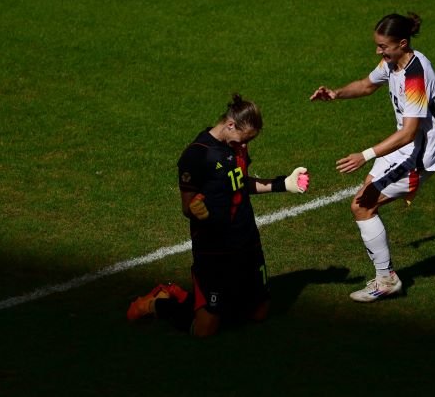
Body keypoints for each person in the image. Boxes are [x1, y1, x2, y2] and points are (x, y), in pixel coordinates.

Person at [127, 94, 310, 337]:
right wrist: (195, 209)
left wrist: (282, 184)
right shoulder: (197, 155)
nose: (245, 147)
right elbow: (186, 206)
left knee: (259, 313)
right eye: (244, 140)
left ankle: (216, 299)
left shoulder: (237, 146)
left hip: (247, 239)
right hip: (214, 247)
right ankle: (159, 301)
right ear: (230, 125)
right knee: (205, 330)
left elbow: (240, 184)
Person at [310, 12, 435, 302]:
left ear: (402, 43)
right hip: (402, 148)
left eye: (383, 46)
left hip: (416, 156)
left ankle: (386, 279)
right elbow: (367, 85)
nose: (378, 51)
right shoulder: (392, 62)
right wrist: (337, 93)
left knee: (362, 205)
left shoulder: (415, 77)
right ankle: (386, 277)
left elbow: (410, 132)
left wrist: (365, 154)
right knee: (363, 204)